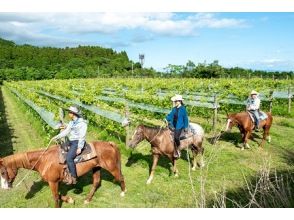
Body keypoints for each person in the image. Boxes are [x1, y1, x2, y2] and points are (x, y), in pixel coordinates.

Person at [52, 105, 88, 184]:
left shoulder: (82, 123)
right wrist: (57, 137)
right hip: (71, 141)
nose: (68, 113)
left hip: (77, 142)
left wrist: (79, 147)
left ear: (73, 114)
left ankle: (73, 177)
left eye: (69, 112)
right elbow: (66, 131)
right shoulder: (72, 122)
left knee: (69, 158)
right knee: (60, 149)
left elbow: (82, 136)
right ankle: (64, 170)